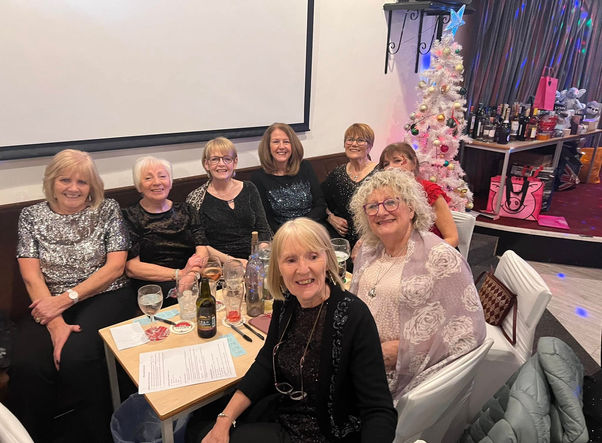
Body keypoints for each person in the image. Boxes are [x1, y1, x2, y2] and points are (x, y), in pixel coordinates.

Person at [198, 218, 396, 443]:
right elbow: (266, 362)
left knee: (201, 433)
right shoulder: (286, 302)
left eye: (313, 256)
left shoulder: (353, 315)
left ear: (327, 260)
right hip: (284, 411)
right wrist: (224, 419)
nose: (303, 269)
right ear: (278, 268)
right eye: (291, 260)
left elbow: (378, 409)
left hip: (322, 433)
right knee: (203, 420)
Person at [8, 149, 134, 442]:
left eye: (82, 182)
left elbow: (115, 267)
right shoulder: (31, 216)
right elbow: (31, 276)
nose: (74, 188)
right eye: (65, 180)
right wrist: (55, 324)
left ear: (92, 186)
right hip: (47, 299)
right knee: (27, 365)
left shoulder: (107, 209)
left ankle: (101, 433)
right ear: (52, 182)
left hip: (105, 294)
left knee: (76, 357)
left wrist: (66, 300)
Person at [349, 170, 485, 400]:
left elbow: (469, 331)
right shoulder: (369, 250)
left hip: (396, 374)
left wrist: (403, 350)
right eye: (372, 207)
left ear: (411, 209)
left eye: (391, 202)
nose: (381, 211)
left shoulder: (440, 257)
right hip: (360, 357)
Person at [122, 156, 208, 301]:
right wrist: (180, 274)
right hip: (153, 283)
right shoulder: (129, 216)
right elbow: (132, 268)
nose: (157, 182)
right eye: (148, 178)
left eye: (162, 176)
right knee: (180, 300)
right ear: (139, 185)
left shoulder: (187, 210)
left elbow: (202, 248)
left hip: (193, 274)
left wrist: (192, 275)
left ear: (170, 181)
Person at [187, 137, 272, 260]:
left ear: (235, 162)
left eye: (227, 159)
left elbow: (263, 230)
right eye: (215, 159)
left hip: (255, 258)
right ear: (206, 164)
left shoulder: (249, 188)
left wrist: (258, 257)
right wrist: (233, 262)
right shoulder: (196, 198)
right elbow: (200, 244)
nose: (221, 164)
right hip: (218, 262)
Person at [251, 123, 327, 233]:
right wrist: (288, 233)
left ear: (293, 145)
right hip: (282, 234)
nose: (281, 146)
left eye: (286, 142)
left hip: (311, 228)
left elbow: (320, 205)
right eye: (276, 142)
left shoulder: (305, 167)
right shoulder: (258, 177)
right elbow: (266, 218)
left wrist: (301, 227)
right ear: (268, 146)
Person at [379, 142, 458, 247]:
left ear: (414, 163)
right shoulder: (383, 193)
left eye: (397, 161)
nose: (390, 167)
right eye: (386, 164)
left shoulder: (429, 191)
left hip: (434, 250)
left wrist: (426, 254)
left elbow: (452, 239)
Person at [321, 123, 379, 248]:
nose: (354, 144)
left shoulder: (380, 174)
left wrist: (364, 241)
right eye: (350, 139)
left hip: (372, 238)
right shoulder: (337, 173)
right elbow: (320, 199)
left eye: (360, 140)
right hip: (341, 238)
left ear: (370, 146)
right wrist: (330, 218)